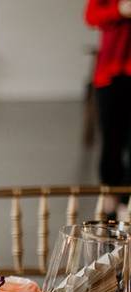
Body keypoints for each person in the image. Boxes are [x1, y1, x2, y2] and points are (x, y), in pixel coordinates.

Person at [87, 0, 131, 218]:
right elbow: (91, 17)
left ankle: (126, 203)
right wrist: (120, 10)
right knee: (111, 140)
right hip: (110, 75)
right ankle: (111, 200)